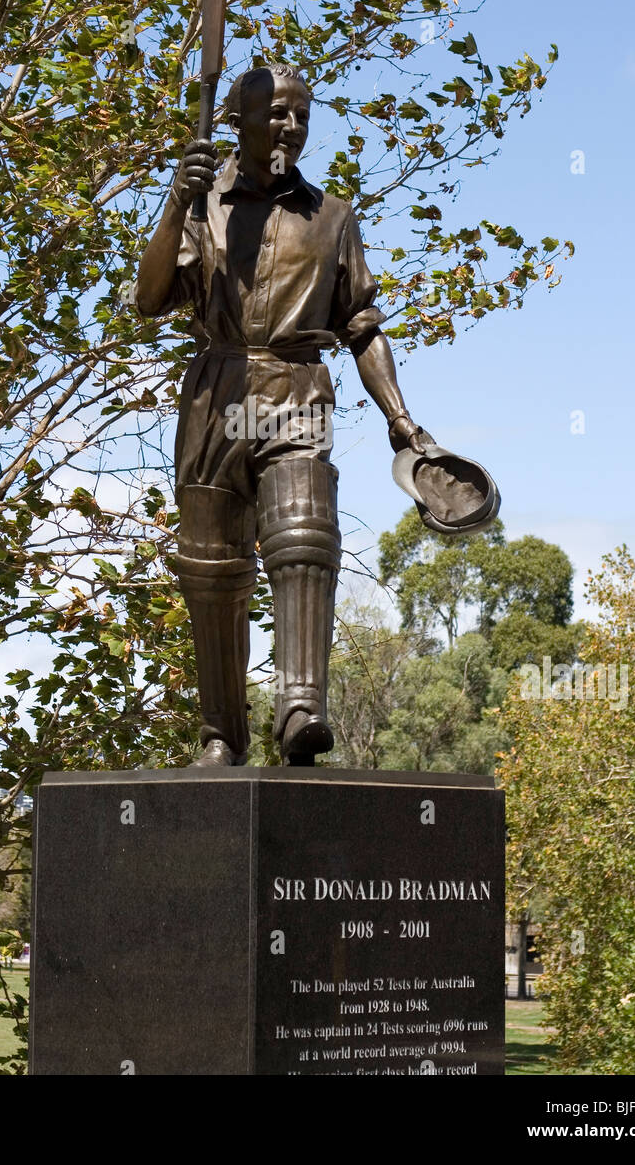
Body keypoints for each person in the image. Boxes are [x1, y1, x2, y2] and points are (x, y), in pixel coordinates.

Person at [135, 63, 432, 766]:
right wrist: (176, 205)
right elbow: (149, 300)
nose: (291, 127)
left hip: (297, 388)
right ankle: (220, 733)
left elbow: (361, 323)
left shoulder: (331, 218)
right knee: (211, 571)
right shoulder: (202, 205)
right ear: (239, 120)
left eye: (302, 114)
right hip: (216, 391)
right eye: (277, 113)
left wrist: (401, 420)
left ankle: (301, 707)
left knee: (304, 535)